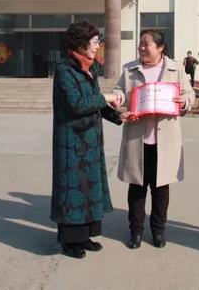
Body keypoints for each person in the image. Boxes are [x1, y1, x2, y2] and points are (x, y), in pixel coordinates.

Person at [113, 29, 195, 249]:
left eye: (146, 44)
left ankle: (158, 231)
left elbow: (189, 93)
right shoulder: (130, 68)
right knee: (137, 189)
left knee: (160, 191)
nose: (141, 47)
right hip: (137, 139)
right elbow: (119, 89)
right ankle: (136, 232)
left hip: (164, 140)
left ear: (160, 48)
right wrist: (118, 97)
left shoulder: (176, 68)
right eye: (140, 43)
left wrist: (184, 101)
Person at [50, 21, 123, 259]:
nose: (97, 46)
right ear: (80, 44)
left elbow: (94, 102)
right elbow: (77, 104)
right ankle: (69, 241)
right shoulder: (65, 70)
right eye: (93, 42)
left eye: (97, 42)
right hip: (72, 143)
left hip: (91, 142)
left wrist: (119, 116)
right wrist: (107, 97)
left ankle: (84, 236)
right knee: (73, 190)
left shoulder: (90, 69)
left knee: (89, 188)